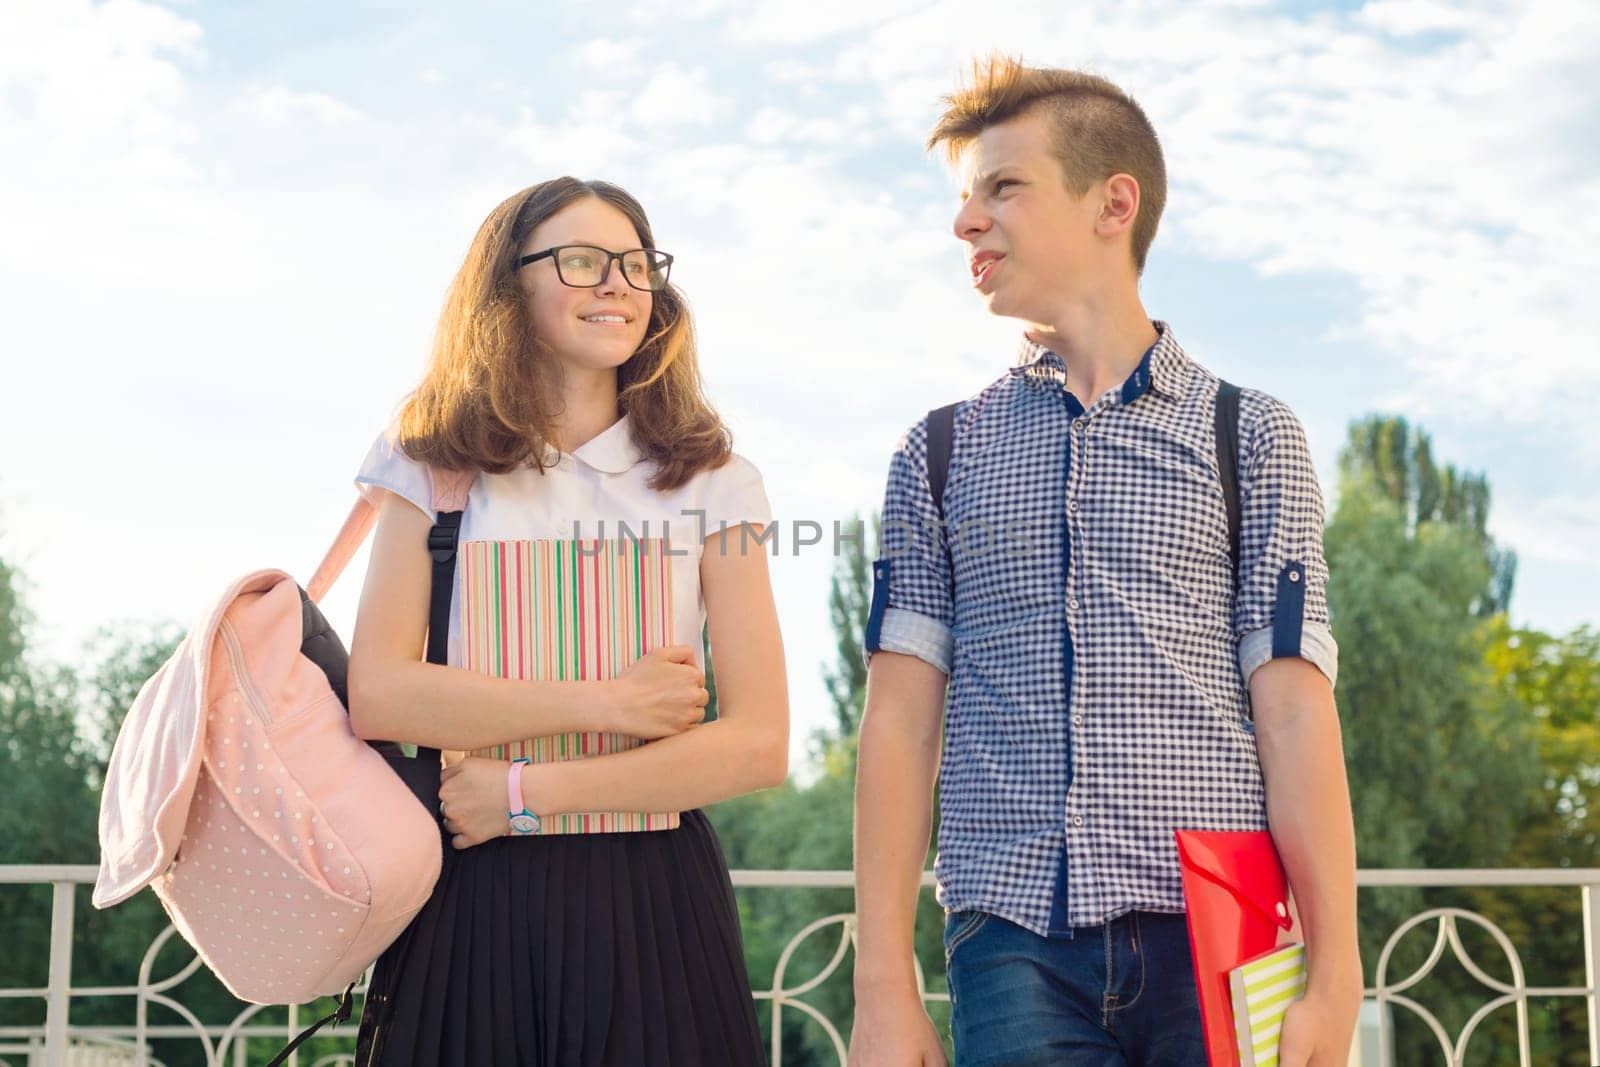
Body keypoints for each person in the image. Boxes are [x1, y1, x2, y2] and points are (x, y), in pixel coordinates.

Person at [848, 58, 1361, 1067]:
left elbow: (1296, 709)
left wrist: (1335, 972)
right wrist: (882, 987)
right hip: (1010, 946)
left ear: (1111, 203)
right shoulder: (937, 451)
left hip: (1223, 932)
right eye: (963, 198)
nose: (966, 223)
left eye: (1002, 187)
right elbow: (899, 723)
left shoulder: (1249, 434)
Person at [345, 176, 787, 1066]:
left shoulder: (712, 478)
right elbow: (380, 693)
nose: (618, 283)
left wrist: (523, 797)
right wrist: (606, 703)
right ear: (508, 286)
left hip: (653, 901)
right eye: (582, 261)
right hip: (468, 898)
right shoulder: (429, 461)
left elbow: (758, 742)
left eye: (635, 264)